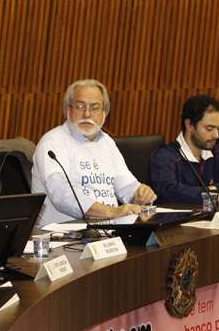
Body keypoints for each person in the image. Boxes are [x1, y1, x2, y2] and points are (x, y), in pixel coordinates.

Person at [31, 79, 156, 227]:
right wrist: (111, 212)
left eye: (95, 108)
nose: (87, 114)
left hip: (105, 233)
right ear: (67, 110)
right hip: (61, 237)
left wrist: (140, 193)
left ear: (105, 113)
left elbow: (126, 185)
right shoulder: (52, 142)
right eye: (80, 106)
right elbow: (62, 194)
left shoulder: (107, 142)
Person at [149, 95, 219, 205]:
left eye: (218, 129)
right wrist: (215, 195)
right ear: (189, 125)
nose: (216, 135)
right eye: (209, 128)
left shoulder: (216, 151)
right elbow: (167, 192)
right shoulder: (165, 156)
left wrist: (213, 189)